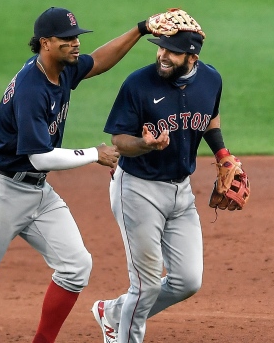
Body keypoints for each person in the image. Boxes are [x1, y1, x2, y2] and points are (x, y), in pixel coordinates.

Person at [0, 7, 163, 343]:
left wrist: (140, 28)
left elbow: (99, 61)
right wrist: (95, 154)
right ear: (45, 42)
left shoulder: (63, 70)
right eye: (67, 39)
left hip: (36, 192)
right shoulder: (31, 87)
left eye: (76, 37)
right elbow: (39, 156)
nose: (75, 44)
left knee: (76, 268)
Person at [91, 29, 245, 343]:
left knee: (187, 281)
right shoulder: (138, 83)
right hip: (137, 190)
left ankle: (114, 313)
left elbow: (210, 117)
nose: (162, 55)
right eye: (161, 48)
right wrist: (144, 144)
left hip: (181, 192)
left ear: (192, 58)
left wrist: (222, 154)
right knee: (145, 287)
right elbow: (119, 140)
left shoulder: (211, 80)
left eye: (172, 52)